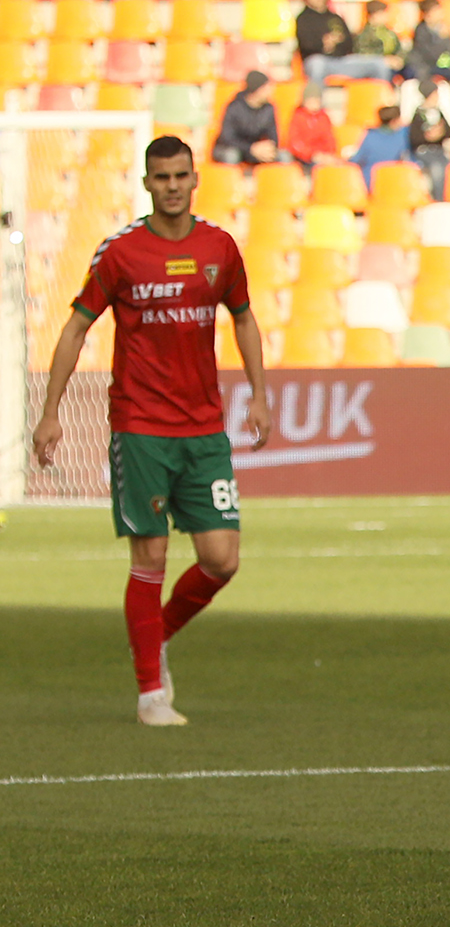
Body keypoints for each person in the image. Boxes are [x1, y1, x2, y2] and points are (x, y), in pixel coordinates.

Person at [31, 135, 271, 727]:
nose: (172, 187)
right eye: (161, 177)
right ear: (146, 184)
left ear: (195, 180)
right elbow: (75, 328)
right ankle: (150, 696)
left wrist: (259, 395)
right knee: (151, 554)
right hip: (139, 427)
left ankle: (153, 635)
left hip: (204, 430)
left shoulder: (219, 247)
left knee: (222, 559)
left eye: (180, 176)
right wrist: (52, 410)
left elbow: (243, 318)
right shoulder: (120, 253)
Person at [296, 0, 391, 88]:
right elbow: (306, 45)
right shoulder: (303, 19)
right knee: (317, 64)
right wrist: (325, 43)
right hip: (319, 60)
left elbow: (349, 42)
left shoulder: (335, 18)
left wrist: (337, 41)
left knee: (378, 64)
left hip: (341, 60)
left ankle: (382, 97)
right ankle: (315, 98)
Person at [211, 71, 280, 165]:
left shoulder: (269, 109)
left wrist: (266, 148)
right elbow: (227, 138)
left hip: (256, 150)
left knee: (283, 156)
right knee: (232, 156)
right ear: (257, 89)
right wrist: (250, 148)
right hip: (232, 148)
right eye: (266, 88)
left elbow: (274, 138)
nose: (271, 91)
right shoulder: (234, 107)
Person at [407, 87, 450, 199]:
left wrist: (441, 133)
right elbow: (414, 138)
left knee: (449, 166)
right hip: (424, 150)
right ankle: (439, 199)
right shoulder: (418, 115)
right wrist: (428, 137)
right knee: (436, 168)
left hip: (439, 150)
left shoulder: (439, 113)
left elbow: (449, 131)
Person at [403, 0, 450, 84]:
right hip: (426, 66)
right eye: (436, 11)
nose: (440, 14)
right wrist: (442, 39)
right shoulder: (421, 31)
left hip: (441, 65)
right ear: (427, 14)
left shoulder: (442, 29)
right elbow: (430, 54)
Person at [285, 80, 340, 169]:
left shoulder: (324, 117)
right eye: (310, 101)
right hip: (304, 158)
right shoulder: (298, 117)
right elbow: (295, 142)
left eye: (316, 100)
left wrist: (328, 155)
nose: (314, 104)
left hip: (323, 157)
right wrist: (312, 155)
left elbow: (329, 138)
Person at [349, 105, 410, 179]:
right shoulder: (403, 134)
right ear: (394, 121)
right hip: (392, 179)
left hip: (370, 179)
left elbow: (356, 160)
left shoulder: (370, 136)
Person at [353, 0, 406, 70]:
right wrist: (384, 60)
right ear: (374, 15)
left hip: (393, 66)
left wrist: (399, 59)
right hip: (375, 69)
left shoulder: (390, 33)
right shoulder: (364, 35)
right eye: (383, 13)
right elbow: (363, 55)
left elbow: (399, 49)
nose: (386, 16)